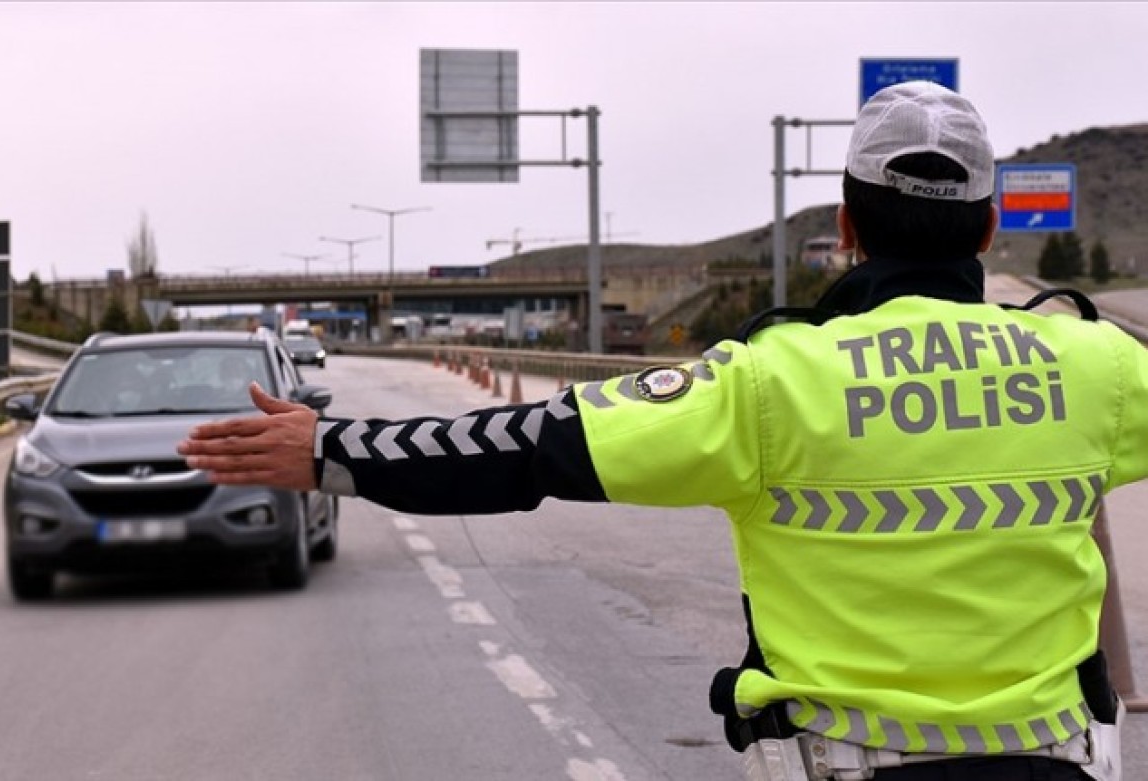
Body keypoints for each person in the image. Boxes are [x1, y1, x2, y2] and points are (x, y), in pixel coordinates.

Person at [178, 82, 1137, 780]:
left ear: (846, 227)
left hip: (846, 765)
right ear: (988, 230)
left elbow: (526, 445)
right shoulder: (1095, 365)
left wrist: (329, 448)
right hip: (1057, 762)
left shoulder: (768, 381)